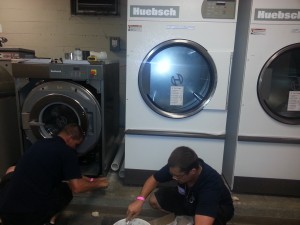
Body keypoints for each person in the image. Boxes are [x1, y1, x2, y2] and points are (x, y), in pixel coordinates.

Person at [0, 123, 108, 225]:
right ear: (70, 138)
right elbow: (77, 187)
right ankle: (48, 221)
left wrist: (94, 180)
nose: (76, 148)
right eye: (76, 144)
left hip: (5, 212)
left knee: (12, 172)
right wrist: (100, 184)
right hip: (26, 217)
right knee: (66, 190)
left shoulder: (40, 143)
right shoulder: (67, 152)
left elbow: (76, 177)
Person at [126, 146, 234, 225]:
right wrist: (139, 200)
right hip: (189, 199)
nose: (173, 178)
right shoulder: (178, 166)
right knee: (154, 200)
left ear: (192, 171)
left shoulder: (210, 185)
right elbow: (154, 179)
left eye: (177, 176)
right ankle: (187, 217)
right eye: (172, 174)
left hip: (216, 210)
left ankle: (192, 219)